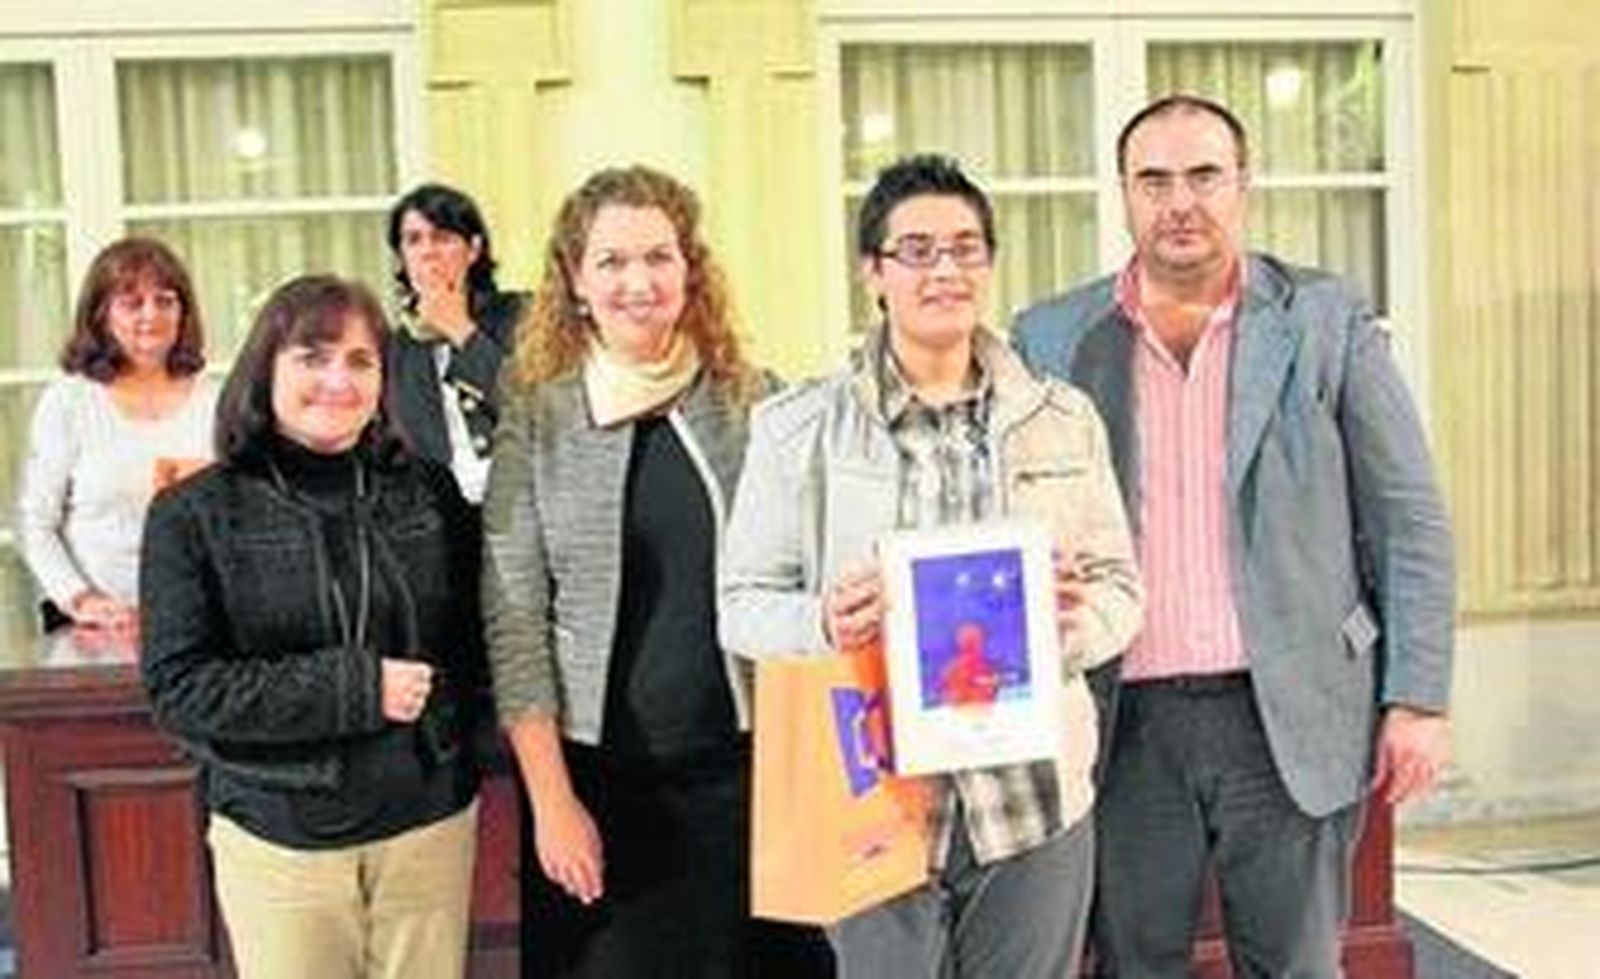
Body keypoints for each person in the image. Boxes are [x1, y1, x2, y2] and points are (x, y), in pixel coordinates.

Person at [1012, 94, 1456, 978]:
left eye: (1204, 174)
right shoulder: (1052, 337)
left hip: (1286, 710)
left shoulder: (1325, 321)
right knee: (1134, 961)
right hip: (1121, 718)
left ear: (1244, 186)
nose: (1180, 201)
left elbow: (1409, 517)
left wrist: (1419, 697)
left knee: (1294, 964)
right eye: (1155, 179)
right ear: (1124, 194)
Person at [719, 153, 1144, 979]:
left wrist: (1069, 625)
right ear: (873, 271)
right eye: (916, 250)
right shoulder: (795, 429)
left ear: (987, 263)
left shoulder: (1063, 418)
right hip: (872, 799)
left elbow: (1121, 587)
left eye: (964, 247)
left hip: (1034, 805)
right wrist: (821, 620)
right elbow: (740, 604)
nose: (944, 268)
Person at [481, 165, 830, 978]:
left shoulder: (754, 400)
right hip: (600, 791)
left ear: (689, 269)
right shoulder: (539, 416)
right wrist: (552, 802)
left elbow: (806, 575)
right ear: (573, 278)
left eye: (658, 257)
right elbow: (514, 618)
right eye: (610, 261)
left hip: (748, 781)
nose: (637, 281)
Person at [140, 275, 485, 979]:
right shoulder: (193, 514)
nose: (338, 379)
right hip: (281, 836)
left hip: (430, 828)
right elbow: (181, 690)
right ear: (265, 367)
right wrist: (358, 688)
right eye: (313, 356)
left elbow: (474, 644)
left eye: (361, 361)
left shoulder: (429, 490)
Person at [15, 236, 217, 634]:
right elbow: (35, 523)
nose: (151, 315)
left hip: (201, 625)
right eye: (132, 303)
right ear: (100, 315)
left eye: (165, 300)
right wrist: (81, 600)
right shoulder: (69, 400)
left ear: (183, 312)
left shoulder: (218, 400)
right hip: (98, 629)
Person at [386, 182, 528, 504]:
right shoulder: (395, 349)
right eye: (413, 240)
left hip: (523, 504)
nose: (427, 251)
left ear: (473, 250)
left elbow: (540, 412)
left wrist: (460, 329)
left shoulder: (523, 315)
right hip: (439, 519)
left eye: (443, 238)